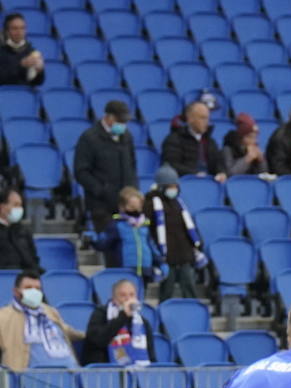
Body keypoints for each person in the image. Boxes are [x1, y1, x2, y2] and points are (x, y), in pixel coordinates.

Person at [146, 166, 210, 300]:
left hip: (184, 254)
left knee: (189, 286)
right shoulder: (151, 204)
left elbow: (188, 227)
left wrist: (195, 245)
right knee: (167, 290)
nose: (174, 188)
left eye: (175, 185)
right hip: (167, 256)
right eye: (170, 186)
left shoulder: (179, 203)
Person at [73, 100, 137, 232]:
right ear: (110, 117)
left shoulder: (127, 137)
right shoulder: (90, 138)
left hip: (127, 205)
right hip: (101, 206)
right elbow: (81, 172)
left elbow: (132, 165)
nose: (123, 125)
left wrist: (132, 190)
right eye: (121, 121)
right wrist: (102, 190)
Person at [0, 270, 82, 370]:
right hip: (31, 379)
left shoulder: (50, 311)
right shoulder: (3, 316)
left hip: (69, 374)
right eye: (28, 288)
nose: (34, 292)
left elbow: (67, 331)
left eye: (38, 289)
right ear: (16, 292)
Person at [83, 278, 156, 366]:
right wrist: (123, 316)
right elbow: (97, 340)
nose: (128, 299)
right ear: (114, 299)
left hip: (138, 372)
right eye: (123, 295)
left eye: (132, 295)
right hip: (105, 371)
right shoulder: (101, 314)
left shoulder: (143, 323)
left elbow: (151, 356)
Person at [95, 187, 159, 284]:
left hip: (144, 269)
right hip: (125, 270)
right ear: (122, 207)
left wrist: (160, 263)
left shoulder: (144, 226)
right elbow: (103, 243)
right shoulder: (117, 225)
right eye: (131, 207)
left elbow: (151, 245)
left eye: (138, 207)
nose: (135, 210)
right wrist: (93, 238)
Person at [162, 101, 225, 182]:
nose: (207, 122)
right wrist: (194, 174)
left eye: (208, 118)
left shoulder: (211, 142)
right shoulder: (174, 139)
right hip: (185, 183)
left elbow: (218, 164)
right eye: (202, 118)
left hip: (208, 183)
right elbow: (171, 165)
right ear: (190, 118)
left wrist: (221, 173)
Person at [0, 187, 39, 272]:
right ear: (2, 207)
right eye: (16, 205)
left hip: (24, 277)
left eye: (21, 205)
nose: (20, 209)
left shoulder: (24, 231)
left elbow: (33, 259)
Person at [0, 13, 44, 87]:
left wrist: (39, 71)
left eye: (22, 28)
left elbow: (36, 82)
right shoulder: (2, 51)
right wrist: (21, 66)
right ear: (6, 31)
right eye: (15, 28)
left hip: (25, 95)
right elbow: (2, 78)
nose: (19, 32)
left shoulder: (30, 51)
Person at [219, 113, 266, 177]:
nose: (255, 141)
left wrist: (261, 161)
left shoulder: (255, 150)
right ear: (241, 138)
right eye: (250, 137)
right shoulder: (228, 150)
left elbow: (264, 175)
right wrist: (248, 158)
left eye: (256, 137)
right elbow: (230, 173)